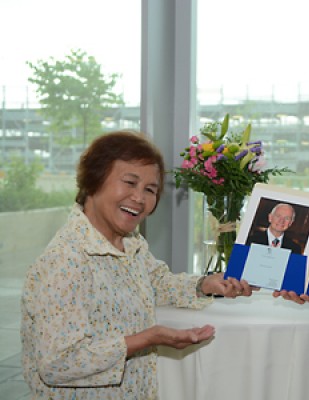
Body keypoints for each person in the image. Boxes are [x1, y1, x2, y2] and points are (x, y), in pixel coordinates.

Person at [21, 130, 255, 399]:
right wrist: (148, 338)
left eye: (150, 190)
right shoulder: (66, 260)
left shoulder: (130, 242)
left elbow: (157, 283)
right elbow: (57, 364)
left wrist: (205, 284)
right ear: (94, 180)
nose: (139, 198)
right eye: (130, 182)